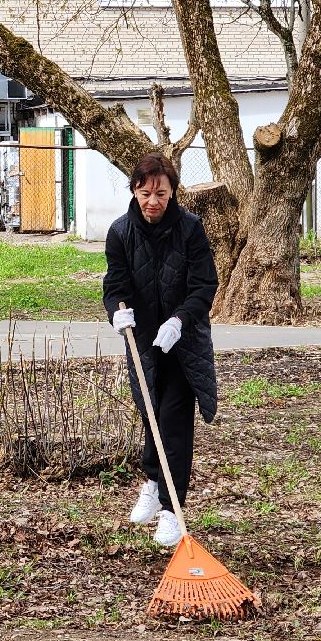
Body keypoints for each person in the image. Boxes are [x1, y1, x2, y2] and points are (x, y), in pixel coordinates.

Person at [103, 151, 219, 548]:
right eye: (146, 192)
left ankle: (172, 510)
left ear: (172, 193)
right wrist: (115, 313)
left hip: (182, 344)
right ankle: (153, 480)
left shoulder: (190, 229)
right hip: (144, 344)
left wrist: (179, 321)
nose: (153, 201)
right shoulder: (120, 232)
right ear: (134, 189)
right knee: (150, 413)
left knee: (173, 420)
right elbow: (115, 284)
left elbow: (204, 285)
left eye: (162, 194)